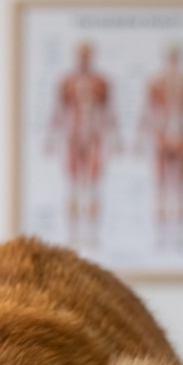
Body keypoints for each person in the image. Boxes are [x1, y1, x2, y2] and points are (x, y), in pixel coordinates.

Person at [45, 41, 119, 250]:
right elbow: (59, 110)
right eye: (81, 54)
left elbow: (109, 112)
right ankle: (73, 234)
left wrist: (115, 138)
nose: (84, 58)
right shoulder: (67, 82)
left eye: (88, 54)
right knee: (74, 187)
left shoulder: (101, 82)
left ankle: (92, 233)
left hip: (94, 136)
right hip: (73, 137)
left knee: (93, 188)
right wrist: (51, 137)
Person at [136, 43, 183, 247]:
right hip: (162, 136)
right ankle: (161, 236)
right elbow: (147, 111)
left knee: (181, 187)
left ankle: (180, 236)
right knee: (161, 186)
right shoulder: (156, 83)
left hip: (182, 136)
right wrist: (139, 138)